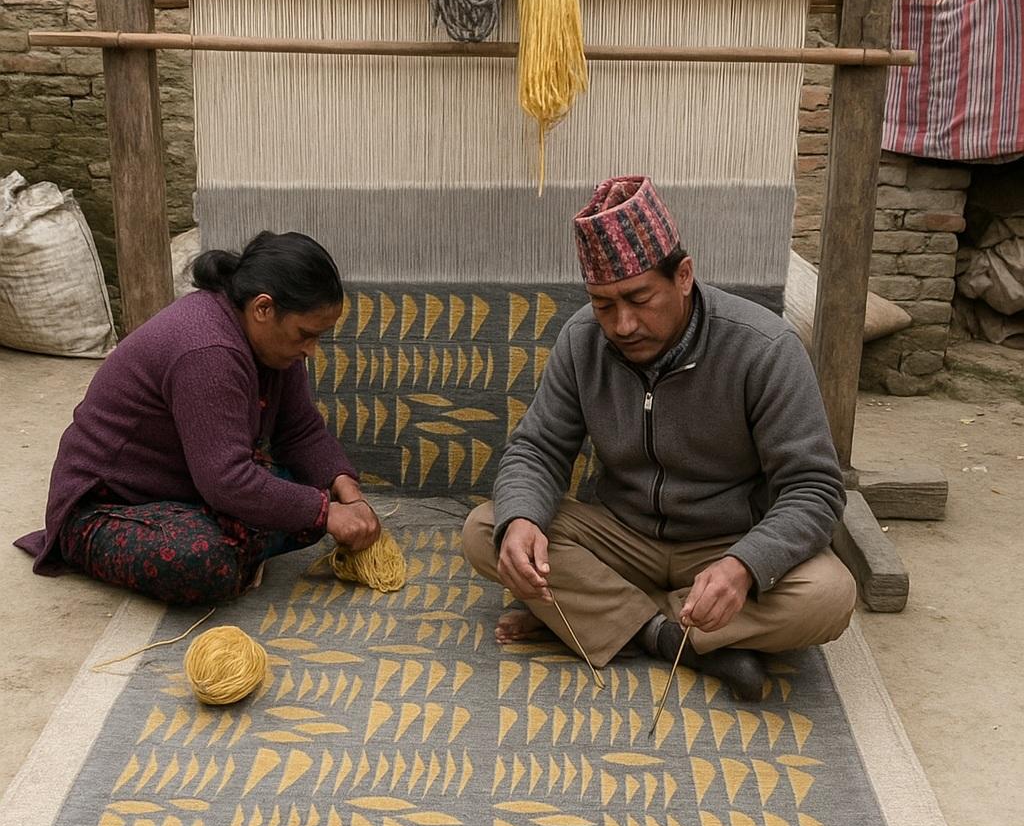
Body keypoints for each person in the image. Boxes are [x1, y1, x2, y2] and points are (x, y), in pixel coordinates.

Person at [462, 176, 857, 701]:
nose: (623, 324)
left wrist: (745, 566)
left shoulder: (764, 349)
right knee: (487, 528)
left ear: (683, 276)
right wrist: (522, 520)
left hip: (726, 543)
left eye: (639, 298)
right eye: (603, 305)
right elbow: (538, 449)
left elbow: (814, 488)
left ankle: (599, 617)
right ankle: (671, 637)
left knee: (828, 595)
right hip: (621, 536)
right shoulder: (582, 340)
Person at [16, 229, 380, 606]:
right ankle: (96, 547)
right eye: (305, 334)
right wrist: (324, 513)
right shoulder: (207, 350)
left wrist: (346, 491)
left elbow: (299, 430)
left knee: (308, 497)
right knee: (203, 561)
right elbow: (226, 480)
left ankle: (238, 535)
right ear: (263, 308)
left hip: (187, 484)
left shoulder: (274, 347)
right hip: (108, 506)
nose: (312, 350)